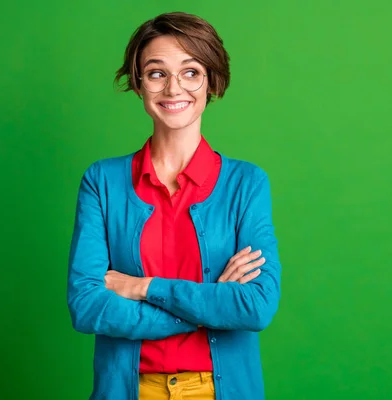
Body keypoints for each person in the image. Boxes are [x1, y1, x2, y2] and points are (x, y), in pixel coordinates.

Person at [67, 11, 281, 400]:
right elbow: (86, 306)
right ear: (138, 83)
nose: (173, 88)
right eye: (156, 73)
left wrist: (141, 287)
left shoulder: (246, 184)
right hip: (127, 390)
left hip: (221, 390)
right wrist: (209, 306)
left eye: (191, 72)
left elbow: (254, 306)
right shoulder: (102, 182)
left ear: (212, 81)